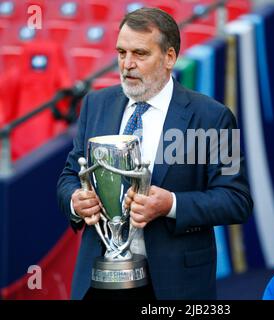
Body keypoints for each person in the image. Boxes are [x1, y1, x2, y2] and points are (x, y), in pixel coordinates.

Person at [57, 7, 253, 300]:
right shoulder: (96, 103)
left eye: (140, 54)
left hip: (173, 284)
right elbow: (70, 175)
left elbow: (235, 200)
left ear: (170, 58)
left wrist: (170, 204)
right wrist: (75, 201)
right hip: (98, 280)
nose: (127, 65)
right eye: (121, 53)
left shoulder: (211, 116)